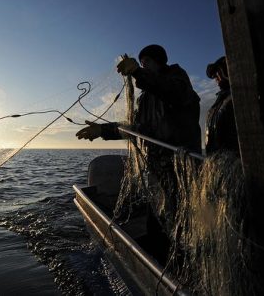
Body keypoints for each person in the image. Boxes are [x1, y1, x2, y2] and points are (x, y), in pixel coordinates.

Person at [76, 44, 201, 262]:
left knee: (183, 223)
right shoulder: (145, 99)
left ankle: (185, 265)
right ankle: (159, 266)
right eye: (141, 63)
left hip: (181, 169)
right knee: (156, 224)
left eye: (147, 62)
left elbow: (173, 93)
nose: (143, 66)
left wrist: (137, 72)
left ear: (160, 61)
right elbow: (138, 130)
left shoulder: (177, 80)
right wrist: (102, 130)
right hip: (156, 169)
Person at [205, 56, 239, 156]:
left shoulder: (241, 97)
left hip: (235, 164)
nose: (216, 78)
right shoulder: (220, 102)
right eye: (214, 76)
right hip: (219, 163)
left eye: (218, 72)